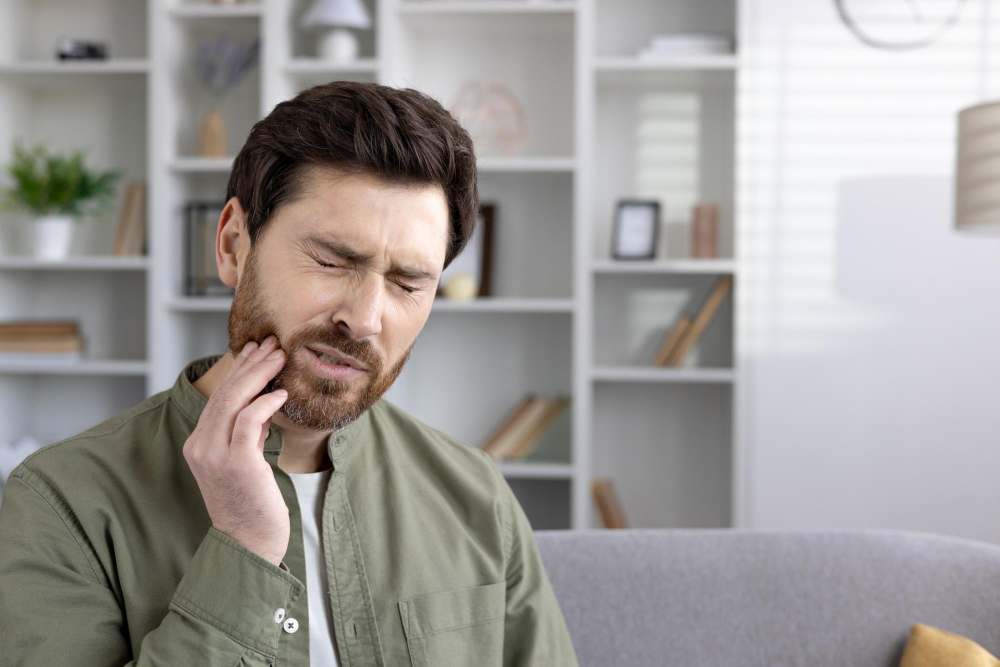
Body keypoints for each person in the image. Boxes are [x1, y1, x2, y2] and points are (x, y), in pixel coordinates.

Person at [0, 80, 580, 667]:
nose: (364, 319)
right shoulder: (61, 503)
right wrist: (242, 548)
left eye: (408, 283)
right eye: (331, 261)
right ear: (232, 246)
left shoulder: (476, 494)